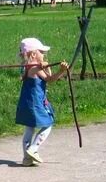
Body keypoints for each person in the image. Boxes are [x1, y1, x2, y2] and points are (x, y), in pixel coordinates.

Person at [15, 38, 69, 167]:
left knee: (29, 127)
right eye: (42, 52)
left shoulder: (26, 67)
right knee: (48, 124)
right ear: (33, 54)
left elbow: (48, 77)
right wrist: (59, 71)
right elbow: (49, 79)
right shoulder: (33, 68)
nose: (44, 55)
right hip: (35, 104)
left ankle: (27, 158)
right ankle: (33, 149)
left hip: (27, 103)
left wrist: (50, 68)